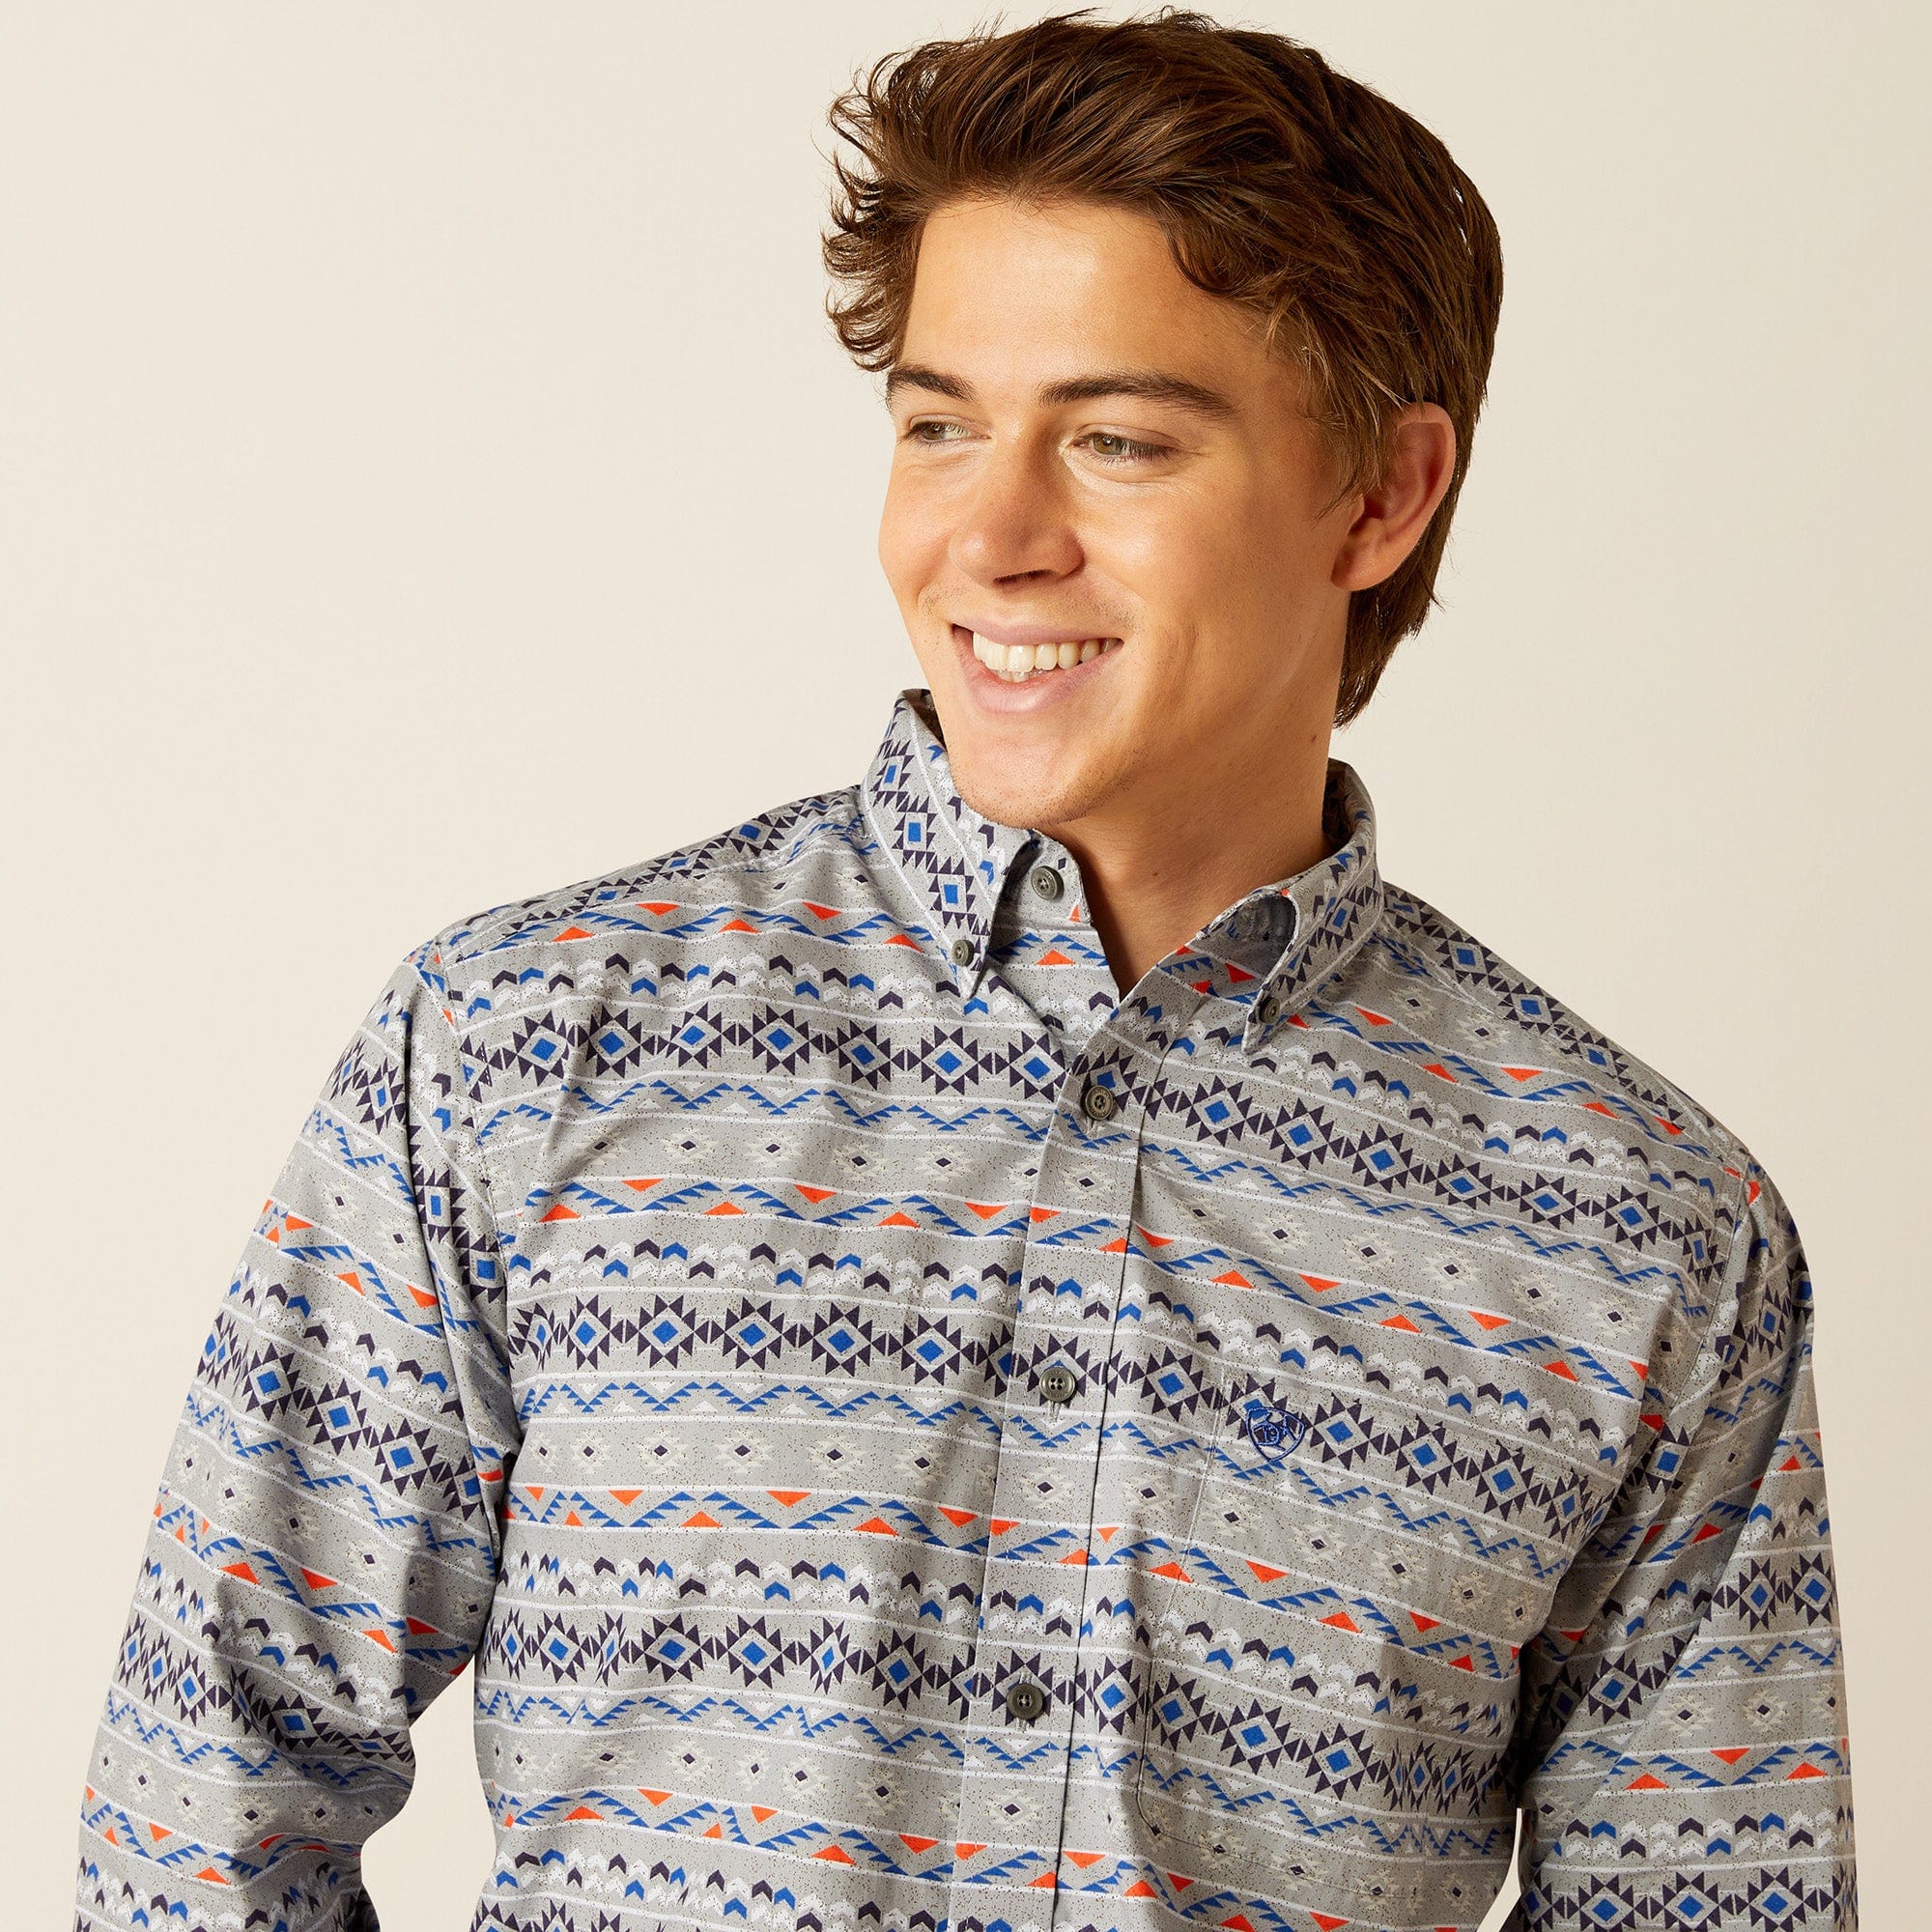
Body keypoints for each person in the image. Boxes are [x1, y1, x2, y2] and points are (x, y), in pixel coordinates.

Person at [75, 13, 1855, 1931]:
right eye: (937, 424)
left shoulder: (1645, 1235)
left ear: (1380, 496)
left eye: (1116, 440)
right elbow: (202, 1814)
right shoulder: (517, 1057)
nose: (986, 537)